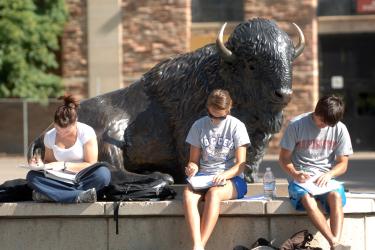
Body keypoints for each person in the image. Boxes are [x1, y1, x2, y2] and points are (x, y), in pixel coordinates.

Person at [278, 95, 353, 250]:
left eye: (329, 124)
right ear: (316, 112)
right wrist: (295, 173)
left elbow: (343, 163)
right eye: (322, 121)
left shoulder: (339, 129)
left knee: (336, 196)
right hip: (302, 178)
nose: (325, 126)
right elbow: (284, 159)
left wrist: (329, 174)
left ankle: (335, 244)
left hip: (325, 178)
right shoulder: (296, 125)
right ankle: (335, 243)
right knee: (307, 198)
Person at [183, 89, 250, 250]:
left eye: (221, 116)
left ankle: (200, 246)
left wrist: (224, 175)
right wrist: (192, 167)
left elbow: (241, 164)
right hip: (204, 176)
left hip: (231, 178)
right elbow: (193, 161)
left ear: (229, 109)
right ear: (208, 109)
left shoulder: (237, 126)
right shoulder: (199, 125)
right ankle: (197, 244)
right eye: (213, 116)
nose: (217, 119)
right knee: (187, 194)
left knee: (214, 194)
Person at [27, 95, 111, 203]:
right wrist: (39, 164)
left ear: (75, 122)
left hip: (83, 178)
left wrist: (64, 165)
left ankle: (53, 195)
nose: (62, 134)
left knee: (103, 174)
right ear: (54, 123)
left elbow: (91, 164)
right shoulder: (49, 136)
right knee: (32, 176)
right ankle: (78, 196)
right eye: (58, 130)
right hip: (60, 179)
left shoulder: (86, 132)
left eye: (66, 131)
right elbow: (49, 162)